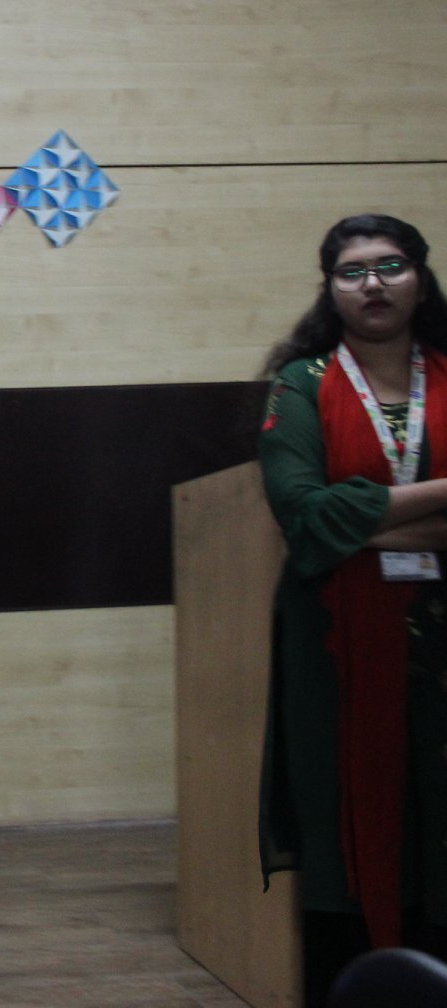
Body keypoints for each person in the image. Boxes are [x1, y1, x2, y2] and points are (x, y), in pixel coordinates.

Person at [258, 213, 447, 998]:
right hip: (334, 647)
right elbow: (304, 517)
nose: (373, 283)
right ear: (330, 289)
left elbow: (333, 518)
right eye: (352, 270)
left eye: (391, 266)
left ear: (421, 280)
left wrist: (358, 520)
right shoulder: (301, 385)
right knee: (343, 824)